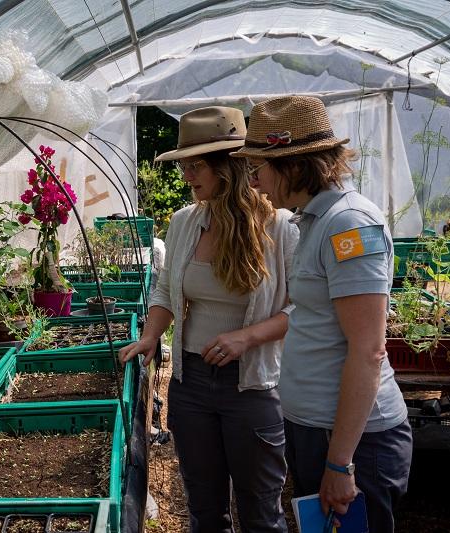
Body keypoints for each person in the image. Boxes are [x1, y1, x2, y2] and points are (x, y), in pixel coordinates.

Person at [231, 95, 412, 533]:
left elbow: (368, 351)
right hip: (319, 429)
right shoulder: (313, 221)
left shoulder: (348, 225)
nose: (254, 184)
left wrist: (340, 463)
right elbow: (315, 317)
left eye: (259, 170)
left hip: (353, 440)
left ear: (293, 165)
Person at [119, 106, 298, 533]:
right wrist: (149, 336)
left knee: (261, 512)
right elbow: (165, 290)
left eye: (196, 165)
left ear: (229, 165)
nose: (187, 175)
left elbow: (302, 310)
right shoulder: (185, 222)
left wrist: (246, 338)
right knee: (205, 509)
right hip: (191, 383)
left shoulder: (279, 226)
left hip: (253, 386)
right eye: (184, 165)